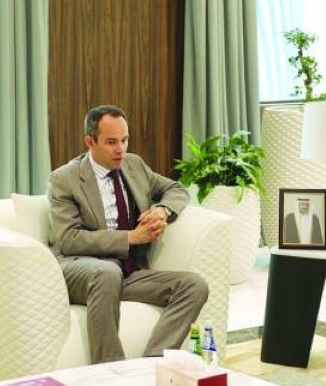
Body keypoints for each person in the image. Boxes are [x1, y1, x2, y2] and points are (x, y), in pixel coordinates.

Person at [48, 106, 210, 364]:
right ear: (90, 142)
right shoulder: (64, 179)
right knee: (107, 273)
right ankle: (110, 371)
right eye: (111, 142)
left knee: (194, 285)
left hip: (128, 272)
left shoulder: (133, 165)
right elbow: (69, 239)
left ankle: (152, 365)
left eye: (124, 140)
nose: (120, 149)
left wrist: (162, 210)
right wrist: (132, 237)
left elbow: (176, 189)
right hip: (80, 268)